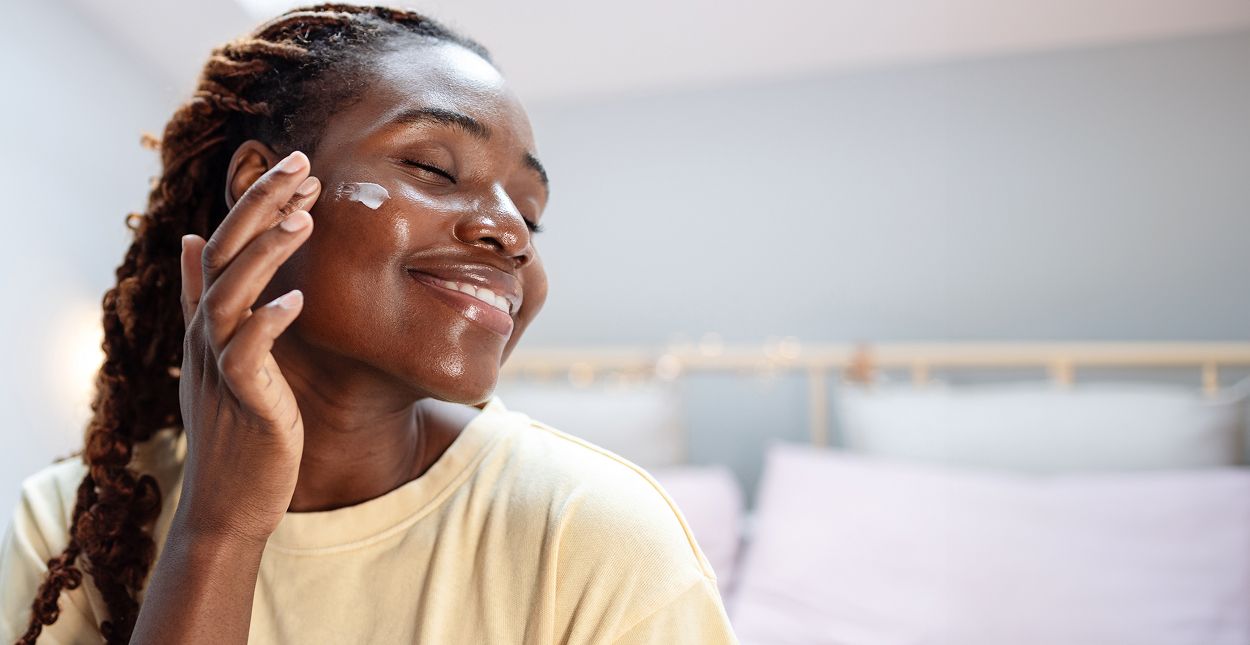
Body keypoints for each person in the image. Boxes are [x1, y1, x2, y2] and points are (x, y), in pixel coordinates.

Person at [0, 4, 737, 643]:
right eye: (433, 167)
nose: (513, 235)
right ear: (269, 186)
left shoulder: (597, 534)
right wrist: (217, 527)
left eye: (532, 215)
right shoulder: (74, 522)